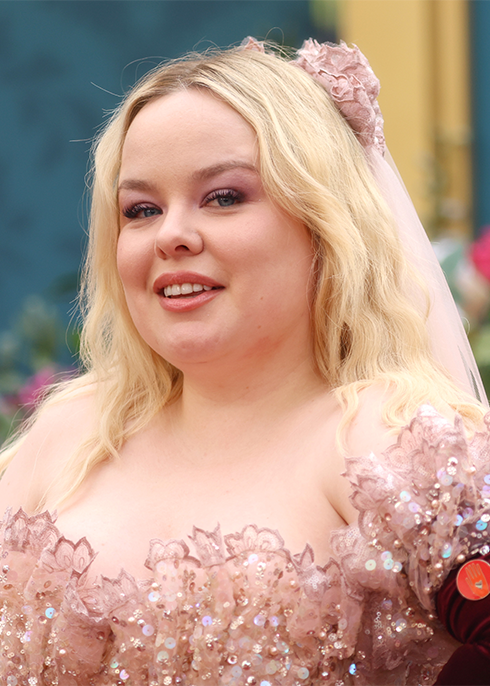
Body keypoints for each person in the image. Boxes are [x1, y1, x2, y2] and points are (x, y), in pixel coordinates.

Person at [0, 37, 488, 686]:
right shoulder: (68, 437)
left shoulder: (391, 443)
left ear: (324, 222)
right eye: (141, 210)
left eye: (224, 197)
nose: (172, 235)